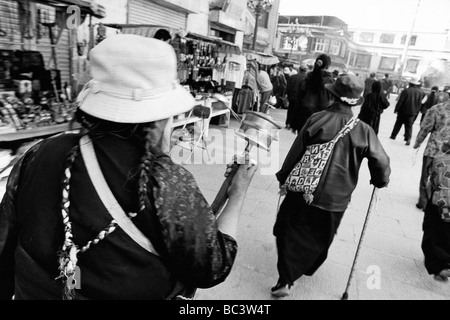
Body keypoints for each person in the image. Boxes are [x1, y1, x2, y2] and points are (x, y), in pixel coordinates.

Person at [0, 34, 258, 300]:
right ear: (157, 119)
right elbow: (214, 266)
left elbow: (5, 239)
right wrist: (237, 194)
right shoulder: (163, 181)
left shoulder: (39, 152)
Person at [272, 74, 391, 297]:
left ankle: (286, 279)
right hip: (336, 198)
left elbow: (296, 151)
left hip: (304, 189)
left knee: (289, 229)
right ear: (356, 101)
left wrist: (284, 177)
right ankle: (306, 266)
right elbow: (381, 161)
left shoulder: (316, 119)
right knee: (322, 235)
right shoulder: (364, 130)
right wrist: (380, 179)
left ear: (332, 94)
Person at [421, 140, 450, 282]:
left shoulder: (440, 159)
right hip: (446, 207)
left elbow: (432, 181)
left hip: (440, 205)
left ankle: (439, 267)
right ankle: (444, 265)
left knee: (431, 235)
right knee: (446, 233)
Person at [413, 98, 450, 210]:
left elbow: (426, 127)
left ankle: (423, 201)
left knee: (426, 175)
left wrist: (418, 141)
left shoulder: (437, 108)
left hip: (434, 149)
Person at [289, 54, 334, 134]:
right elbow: (331, 104)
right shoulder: (330, 82)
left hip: (303, 118)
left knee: (301, 144)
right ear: (327, 66)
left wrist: (294, 123)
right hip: (320, 120)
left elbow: (298, 100)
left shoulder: (306, 79)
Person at [390, 78, 427, 146]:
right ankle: (408, 139)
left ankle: (393, 136)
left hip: (403, 111)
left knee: (398, 124)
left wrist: (396, 109)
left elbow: (401, 101)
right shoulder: (422, 93)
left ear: (411, 84)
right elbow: (423, 103)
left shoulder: (406, 91)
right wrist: (419, 110)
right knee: (409, 126)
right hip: (413, 112)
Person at [286, 63, 308, 129]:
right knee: (299, 112)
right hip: (302, 99)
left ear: (299, 69)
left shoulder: (293, 77)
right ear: (306, 70)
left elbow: (288, 88)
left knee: (291, 110)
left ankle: (288, 123)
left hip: (292, 97)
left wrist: (288, 96)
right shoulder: (307, 78)